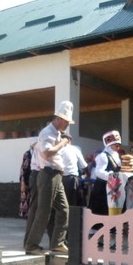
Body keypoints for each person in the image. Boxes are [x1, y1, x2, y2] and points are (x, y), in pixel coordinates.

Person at [24, 101, 75, 256]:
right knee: (43, 212)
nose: (67, 125)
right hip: (48, 174)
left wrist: (61, 140)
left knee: (64, 210)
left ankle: (57, 243)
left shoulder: (56, 133)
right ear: (59, 119)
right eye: (67, 122)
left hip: (55, 174)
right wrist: (63, 143)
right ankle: (31, 245)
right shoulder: (47, 132)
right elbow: (46, 153)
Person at [88, 130, 122, 216]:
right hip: (102, 188)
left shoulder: (116, 156)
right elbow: (98, 172)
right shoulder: (103, 156)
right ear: (110, 145)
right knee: (101, 212)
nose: (118, 146)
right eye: (116, 145)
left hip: (112, 188)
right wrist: (111, 176)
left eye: (119, 145)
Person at [61, 142, 88, 206]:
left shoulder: (58, 149)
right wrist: (88, 174)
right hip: (72, 179)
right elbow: (84, 165)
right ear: (69, 140)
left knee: (62, 202)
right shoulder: (75, 149)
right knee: (73, 202)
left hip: (60, 178)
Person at [18, 140, 35, 218]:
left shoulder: (38, 153)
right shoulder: (27, 154)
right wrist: (23, 182)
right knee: (27, 198)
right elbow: (24, 169)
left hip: (35, 180)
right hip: (27, 180)